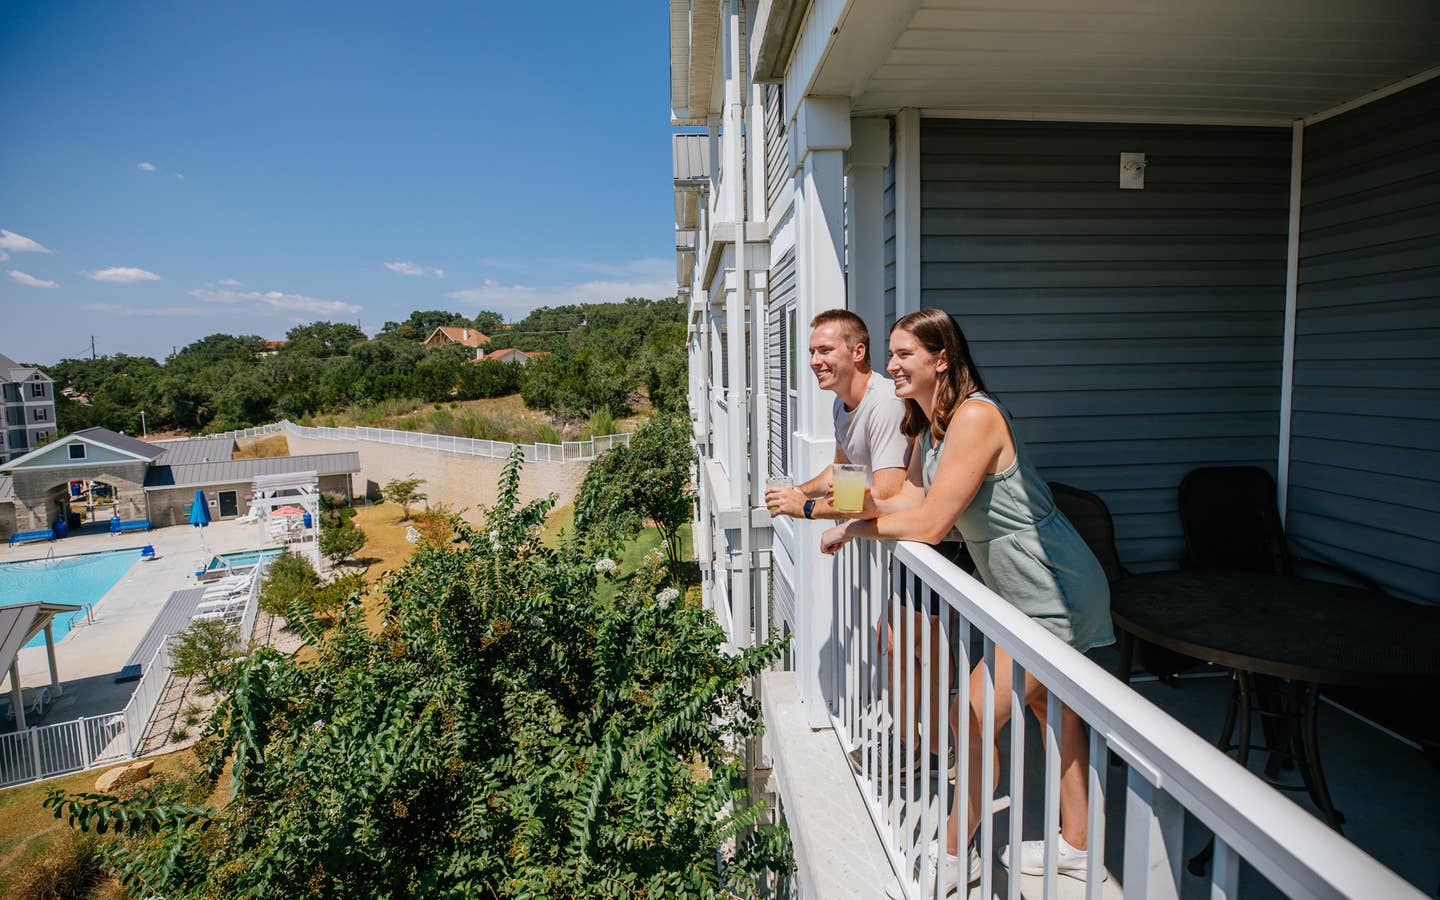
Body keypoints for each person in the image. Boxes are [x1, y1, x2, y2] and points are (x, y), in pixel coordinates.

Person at [820, 308, 1113, 891]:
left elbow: (930, 524)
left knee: (968, 712)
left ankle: (957, 855)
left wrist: (853, 527)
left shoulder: (976, 417)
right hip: (1023, 593)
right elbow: (908, 497)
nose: (893, 365)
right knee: (1051, 713)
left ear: (941, 359)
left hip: (1053, 589)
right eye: (893, 354)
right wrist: (839, 508)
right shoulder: (938, 426)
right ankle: (1078, 846)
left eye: (905, 355)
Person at [765, 310, 951, 776]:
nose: (814, 360)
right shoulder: (843, 405)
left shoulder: (885, 404)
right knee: (897, 646)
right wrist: (799, 491)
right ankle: (919, 746)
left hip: (933, 543)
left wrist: (808, 511)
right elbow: (843, 474)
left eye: (825, 350)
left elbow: (884, 494)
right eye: (811, 351)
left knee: (923, 655)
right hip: (901, 541)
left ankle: (941, 749)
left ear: (857, 352)